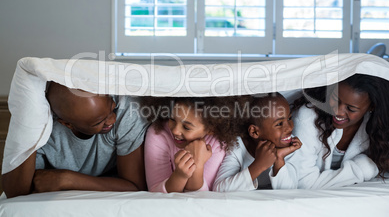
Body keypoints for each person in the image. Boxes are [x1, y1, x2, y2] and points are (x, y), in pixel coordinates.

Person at [2, 82, 150, 198]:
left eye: (112, 107)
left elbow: (135, 186)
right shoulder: (43, 125)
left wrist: (67, 180)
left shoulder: (126, 110)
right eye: (98, 122)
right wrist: (28, 127)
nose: (113, 119)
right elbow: (16, 192)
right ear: (66, 124)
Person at [283, 73, 389, 189]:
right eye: (335, 99)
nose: (338, 112)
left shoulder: (380, 125)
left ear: (372, 107)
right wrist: (369, 166)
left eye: (351, 109)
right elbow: (304, 183)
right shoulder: (308, 117)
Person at [143, 96, 241, 193]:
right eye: (172, 119)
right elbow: (155, 194)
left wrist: (197, 165)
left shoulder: (217, 143)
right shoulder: (158, 133)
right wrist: (180, 176)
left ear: (211, 129)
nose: (175, 131)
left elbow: (202, 198)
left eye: (186, 127)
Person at [213, 92, 302, 191]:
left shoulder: (289, 145)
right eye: (279, 124)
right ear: (254, 131)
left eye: (289, 118)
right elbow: (220, 189)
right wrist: (259, 165)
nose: (290, 127)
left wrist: (279, 159)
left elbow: (289, 191)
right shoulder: (237, 147)